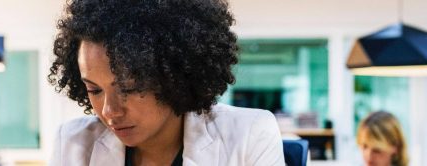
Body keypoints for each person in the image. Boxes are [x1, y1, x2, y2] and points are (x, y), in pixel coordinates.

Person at [47, 0, 285, 165]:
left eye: (129, 88)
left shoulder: (250, 134)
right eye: (94, 89)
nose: (109, 111)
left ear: (173, 76)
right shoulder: (72, 143)